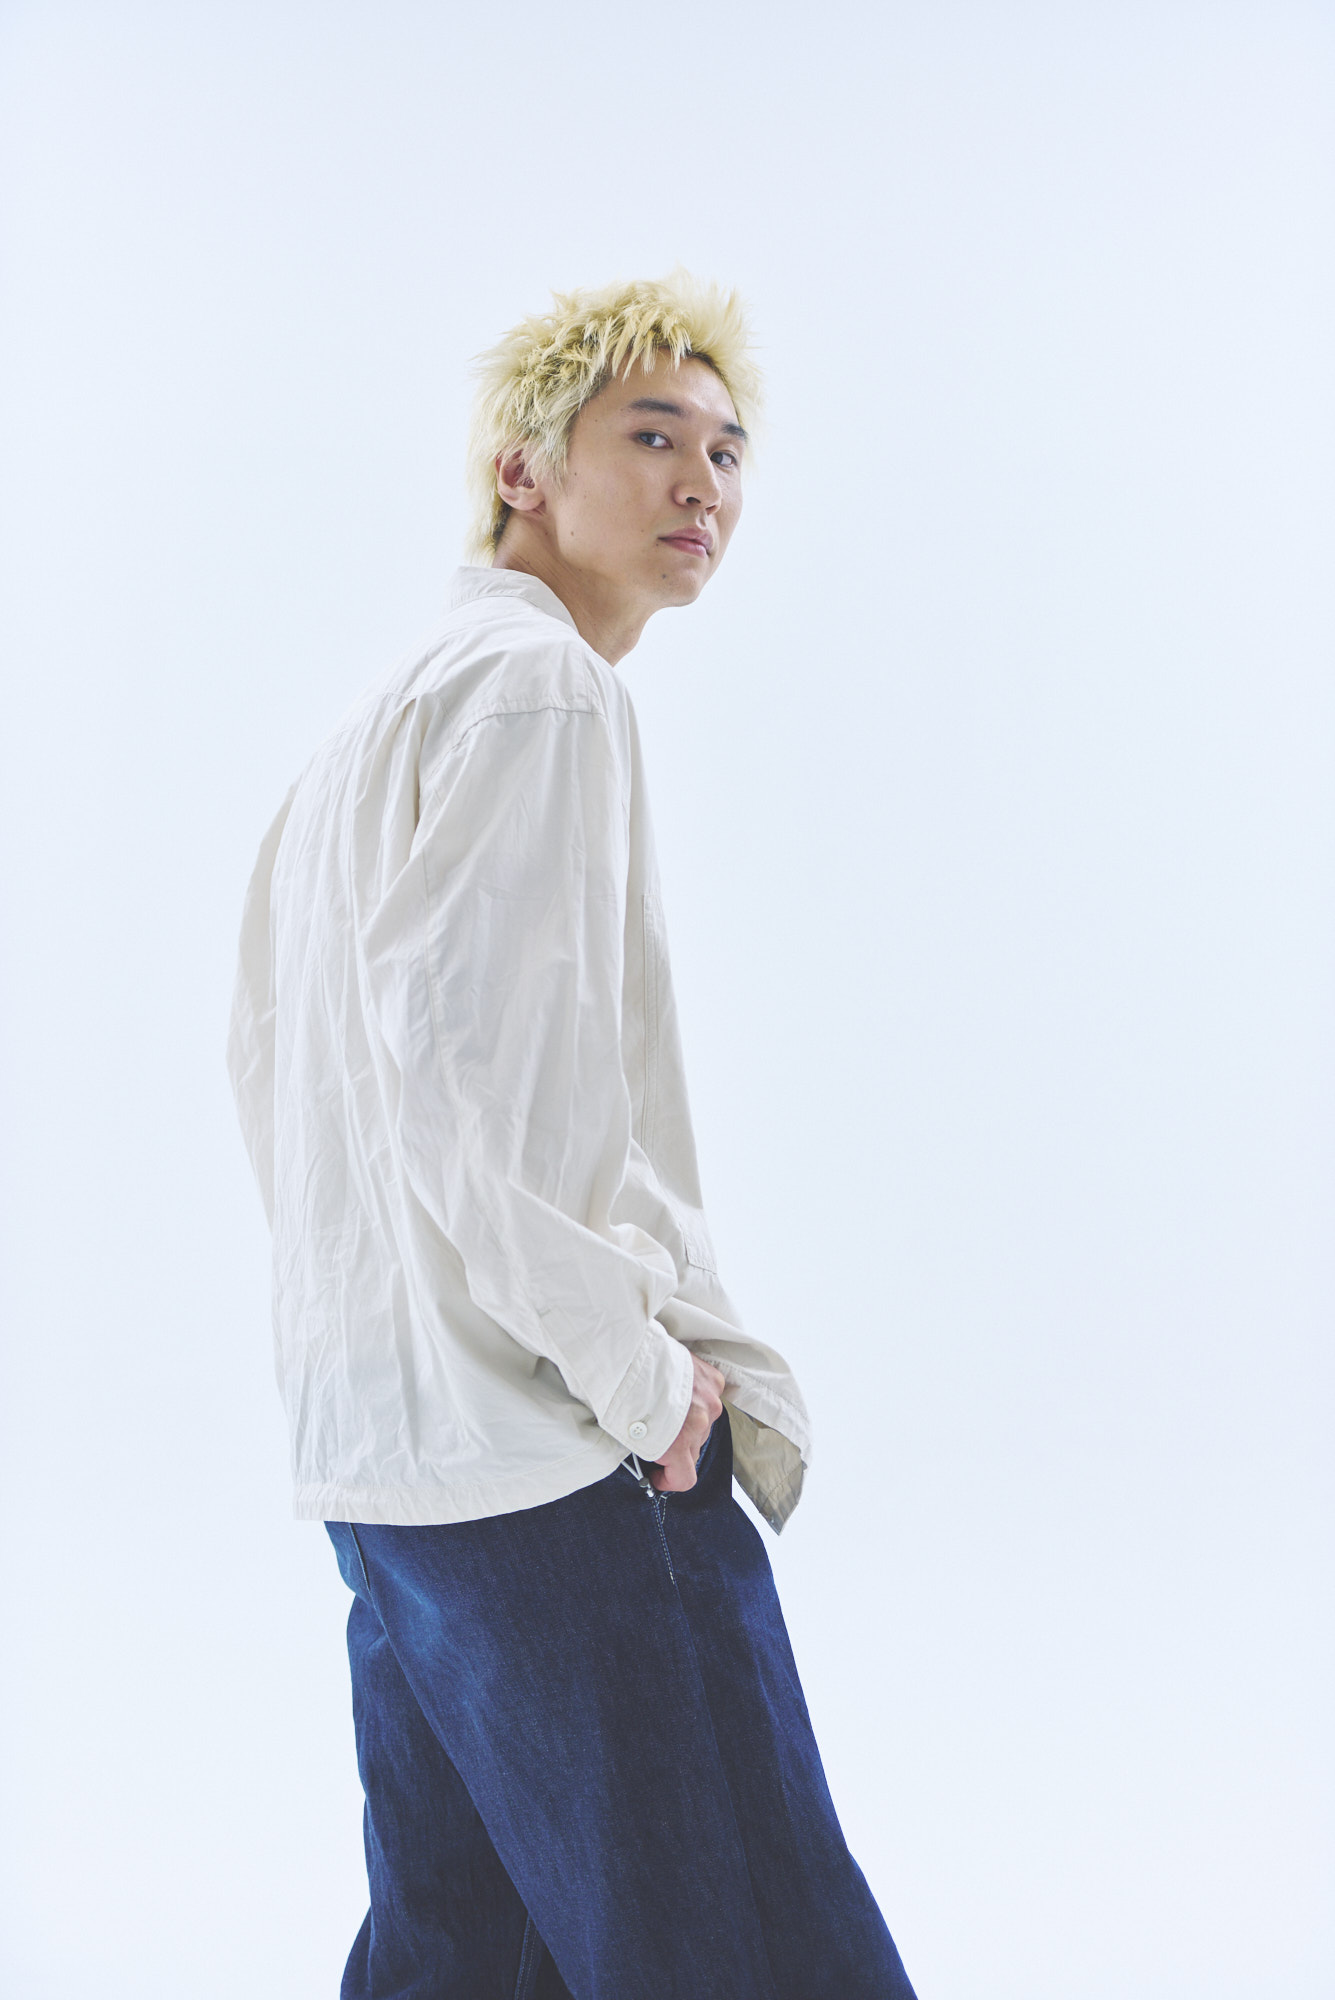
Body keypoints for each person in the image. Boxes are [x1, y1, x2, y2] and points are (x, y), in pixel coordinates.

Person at [228, 273, 918, 2000]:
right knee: (738, 1948)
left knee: (459, 1958)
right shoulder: (538, 691)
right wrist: (637, 1373)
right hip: (559, 1456)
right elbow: (459, 1078)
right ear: (523, 470)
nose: (705, 483)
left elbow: (288, 1081)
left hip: (391, 1468)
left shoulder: (360, 738)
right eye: (652, 435)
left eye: (729, 452)